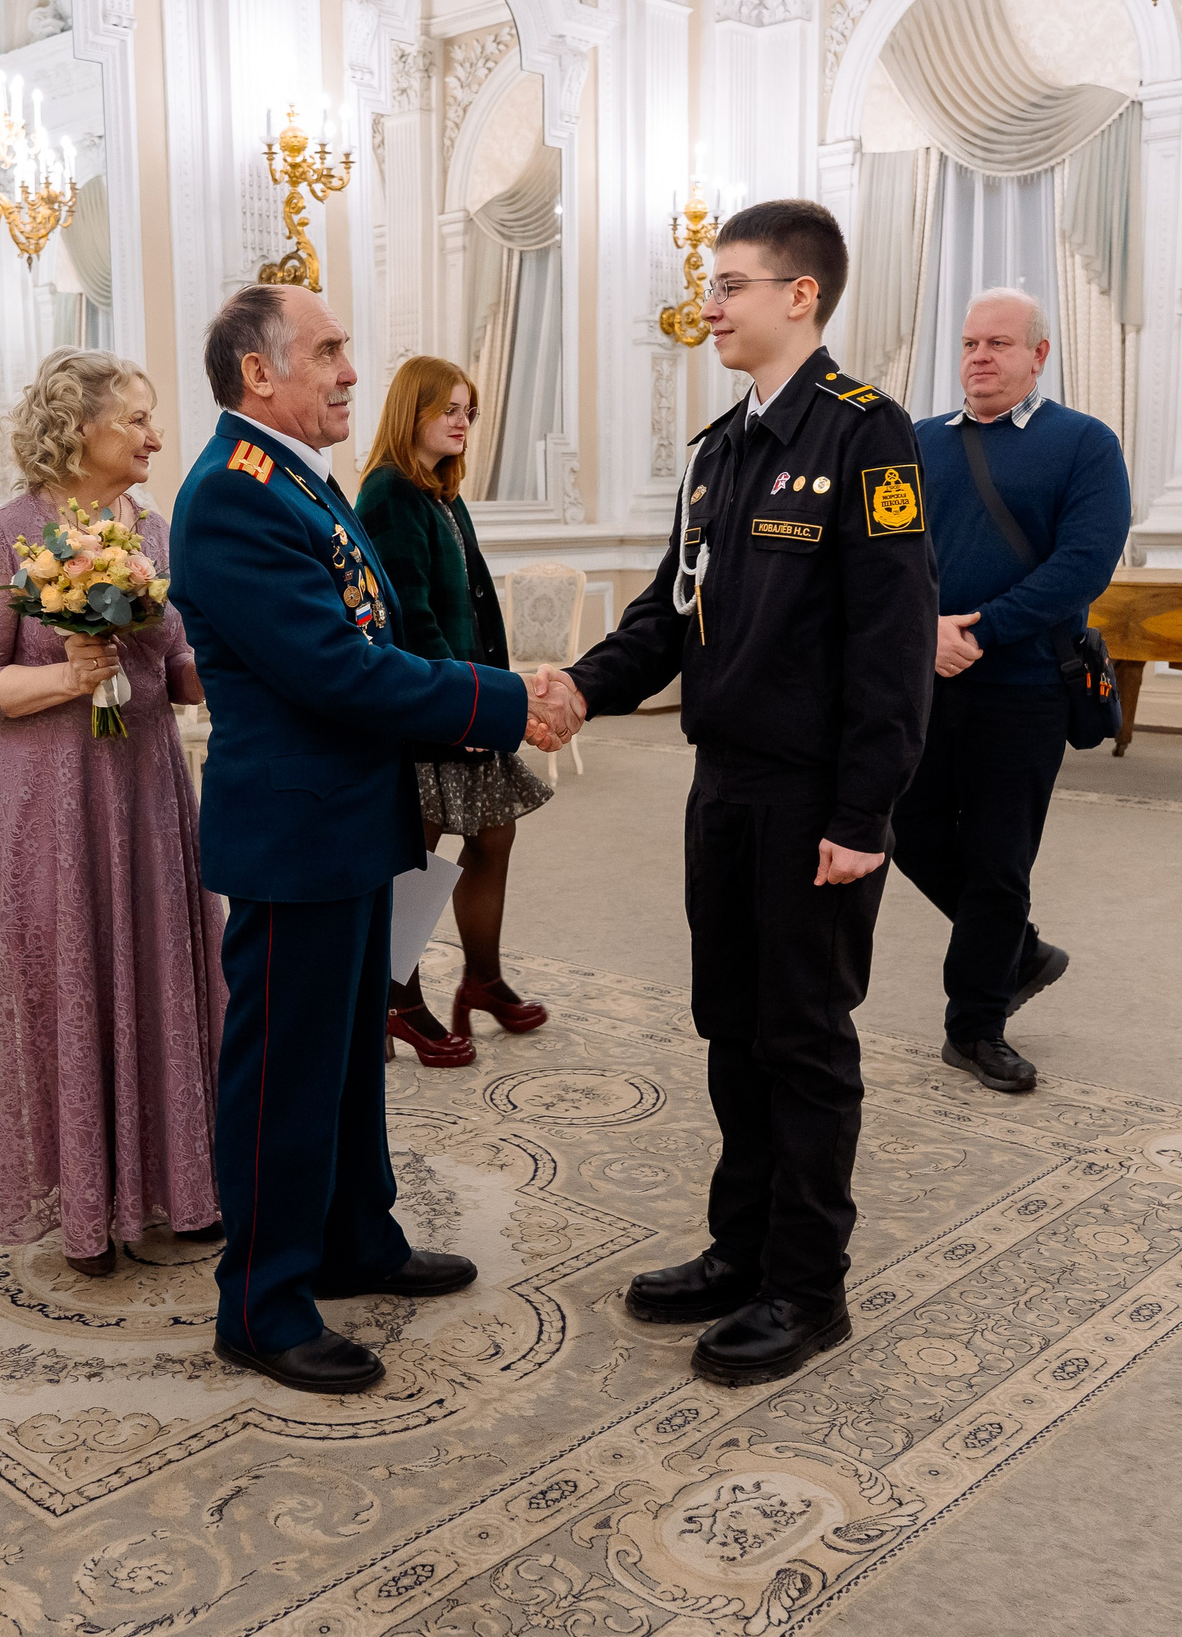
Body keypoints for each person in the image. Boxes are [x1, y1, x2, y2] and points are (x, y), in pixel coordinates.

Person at [532, 199, 936, 1387]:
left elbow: (892, 642)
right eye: (712, 285)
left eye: (731, 284)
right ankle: (740, 1249)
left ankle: (808, 1290)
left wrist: (863, 816)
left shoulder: (869, 435)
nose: (708, 304)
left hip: (816, 800)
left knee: (803, 1044)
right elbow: (669, 612)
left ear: (800, 295)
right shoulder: (719, 450)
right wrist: (577, 689)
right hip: (725, 791)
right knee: (729, 1029)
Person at [170, 284, 560, 1397]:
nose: (351, 370)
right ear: (258, 372)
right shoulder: (236, 496)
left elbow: (370, 632)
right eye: (330, 351)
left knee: (348, 1059)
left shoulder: (298, 479)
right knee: (283, 1075)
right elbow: (336, 668)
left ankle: (353, 1239)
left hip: (349, 818)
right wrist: (503, 698)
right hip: (297, 832)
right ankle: (260, 1301)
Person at [0, 347, 224, 1278]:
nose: (156, 436)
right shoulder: (4, 533)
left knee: (160, 970)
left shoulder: (149, 529)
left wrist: (223, 654)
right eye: (137, 420)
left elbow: (181, 667)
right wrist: (68, 676)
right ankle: (87, 1207)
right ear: (79, 431)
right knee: (69, 982)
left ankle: (180, 1187)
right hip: (50, 797)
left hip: (145, 783)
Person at [893, 288, 1131, 1094]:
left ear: (1040, 354)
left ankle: (976, 1026)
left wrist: (981, 630)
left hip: (1025, 686)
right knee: (904, 828)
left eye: (998, 343)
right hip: (921, 680)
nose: (979, 357)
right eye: (968, 343)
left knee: (999, 858)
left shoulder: (1084, 445)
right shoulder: (916, 443)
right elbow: (883, 559)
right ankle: (1017, 949)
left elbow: (1082, 567)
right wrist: (925, 630)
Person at [354, 356, 553, 1068]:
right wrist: (463, 705)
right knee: (417, 853)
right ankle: (395, 1000)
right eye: (450, 410)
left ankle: (482, 977)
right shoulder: (388, 492)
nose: (464, 422)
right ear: (414, 413)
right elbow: (409, 616)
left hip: (471, 692)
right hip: (434, 703)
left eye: (469, 410)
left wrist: (494, 691)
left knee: (493, 837)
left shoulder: (442, 491)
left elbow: (472, 601)